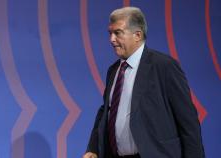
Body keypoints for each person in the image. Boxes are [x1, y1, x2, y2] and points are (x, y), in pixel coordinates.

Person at [83, 6, 205, 158]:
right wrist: (93, 148)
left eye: (117, 33)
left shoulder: (164, 66)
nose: (111, 39)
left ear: (137, 35)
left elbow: (188, 122)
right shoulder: (113, 70)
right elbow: (105, 113)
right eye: (110, 33)